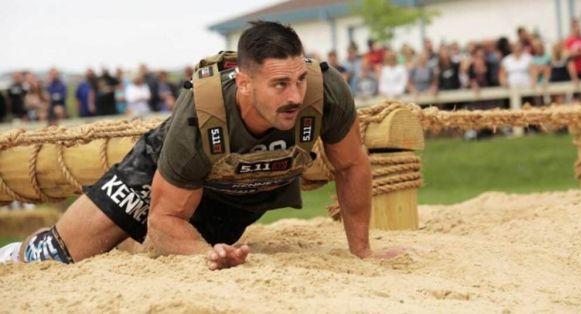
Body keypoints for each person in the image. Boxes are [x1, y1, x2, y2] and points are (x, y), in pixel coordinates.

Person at [0, 21, 383, 269]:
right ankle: (12, 253)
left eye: (299, 79)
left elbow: (352, 165)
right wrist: (205, 253)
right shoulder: (202, 113)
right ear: (244, 82)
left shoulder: (326, 90)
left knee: (160, 248)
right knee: (63, 253)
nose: (296, 96)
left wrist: (362, 250)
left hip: (235, 192)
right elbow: (164, 219)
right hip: (162, 171)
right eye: (280, 85)